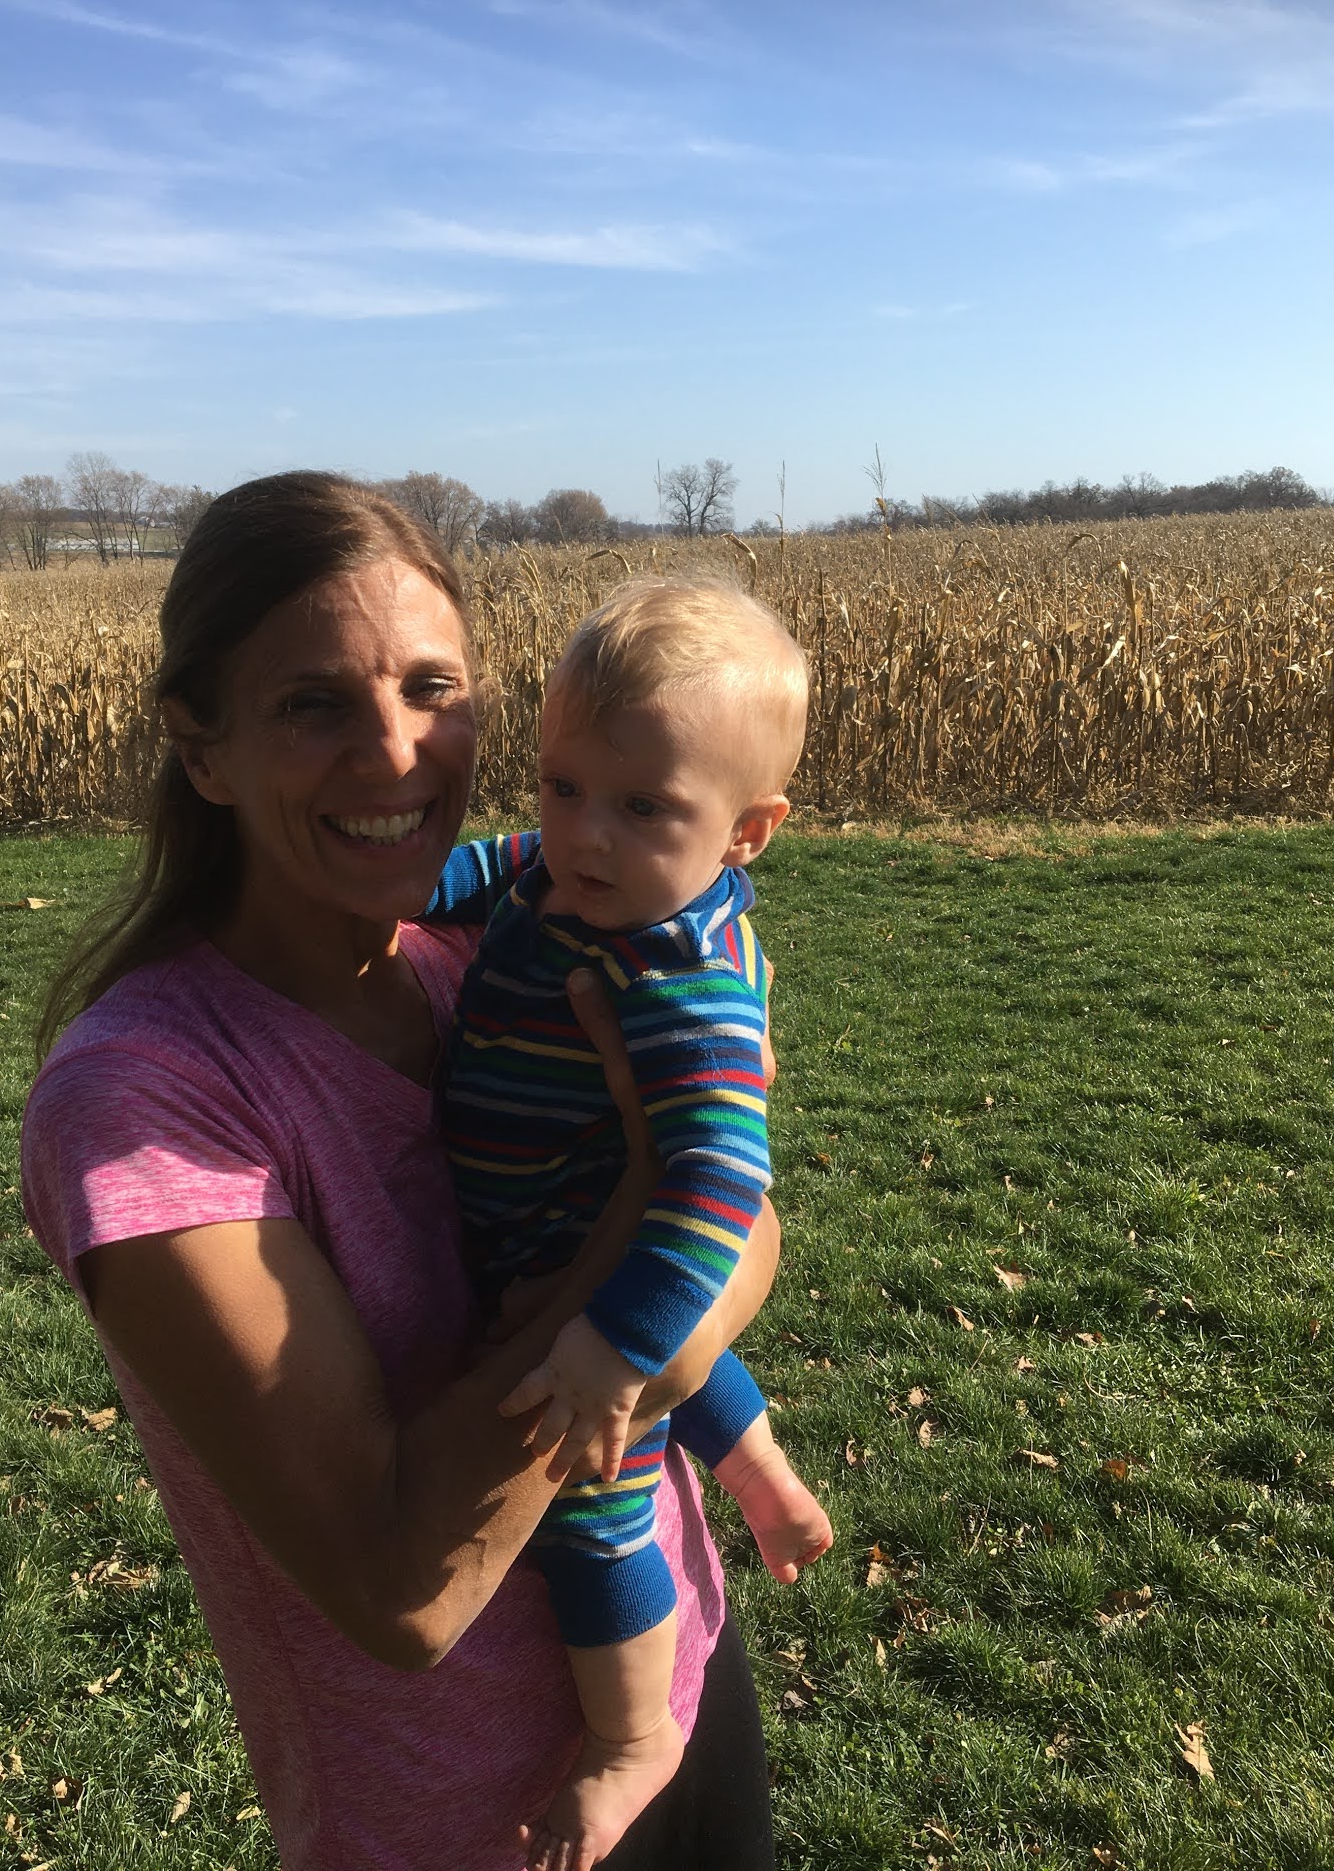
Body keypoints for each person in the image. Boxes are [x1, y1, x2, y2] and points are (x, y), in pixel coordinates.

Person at [20, 473, 783, 1871]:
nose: (393, 754)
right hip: (460, 1818)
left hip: (674, 1663)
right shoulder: (144, 1103)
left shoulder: (498, 949)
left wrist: (664, 1325)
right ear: (202, 747)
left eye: (433, 688)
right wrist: (643, 1221)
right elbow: (401, 1585)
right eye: (313, 704)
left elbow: (751, 1223)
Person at [429, 581, 832, 1869]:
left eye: (645, 808)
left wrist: (613, 1346)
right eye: (563, 787)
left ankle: (632, 1735)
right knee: (674, 1385)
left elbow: (717, 1182)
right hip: (557, 1228)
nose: (585, 835)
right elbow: (483, 865)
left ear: (749, 830)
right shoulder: (566, 874)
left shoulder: (680, 978)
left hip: (586, 1268)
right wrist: (389, 884)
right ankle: (762, 1478)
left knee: (590, 1502)